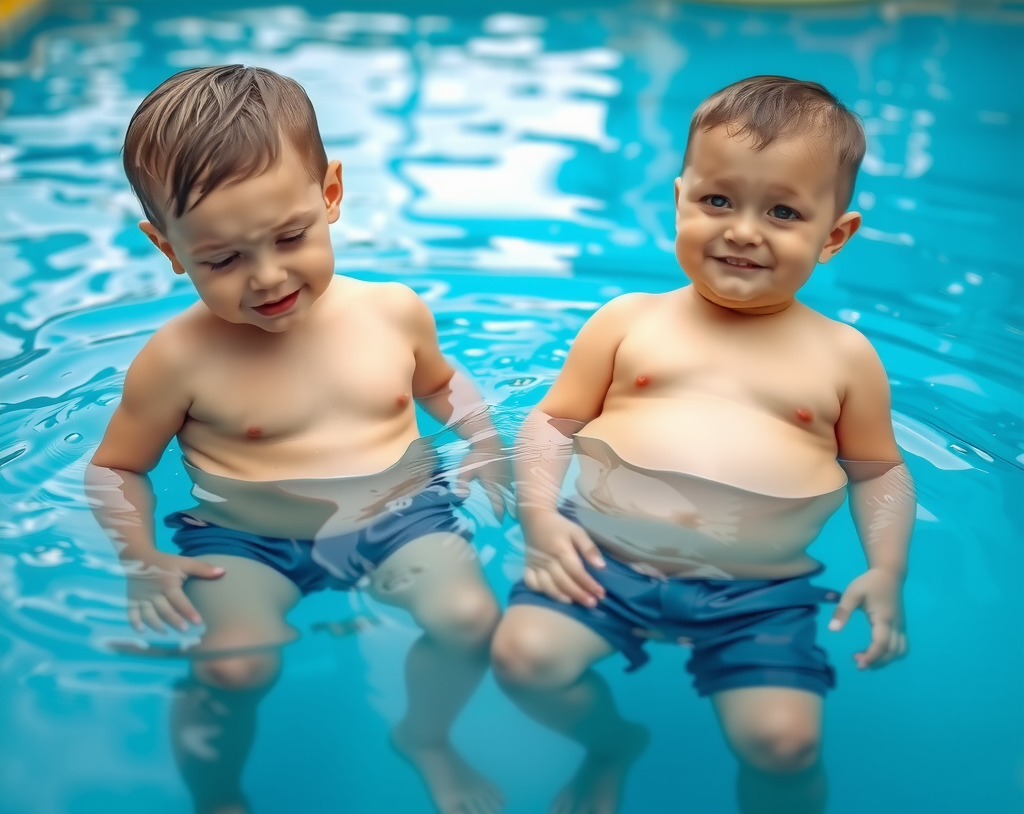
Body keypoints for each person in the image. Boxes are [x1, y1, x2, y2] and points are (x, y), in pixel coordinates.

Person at [86, 65, 507, 814]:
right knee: (233, 667)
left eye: (291, 235)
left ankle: (427, 736)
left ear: (331, 194)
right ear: (167, 247)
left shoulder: (392, 312)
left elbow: (439, 384)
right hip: (247, 538)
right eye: (221, 259)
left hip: (399, 513)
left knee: (471, 621)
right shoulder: (178, 359)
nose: (268, 276)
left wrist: (483, 440)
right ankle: (216, 794)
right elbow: (117, 468)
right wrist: (140, 556)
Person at [491, 76, 916, 814]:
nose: (743, 231)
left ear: (834, 236)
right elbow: (552, 424)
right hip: (605, 559)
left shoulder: (844, 358)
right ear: (681, 199)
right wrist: (540, 517)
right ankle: (610, 742)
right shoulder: (628, 321)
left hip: (755, 592)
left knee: (784, 745)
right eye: (718, 201)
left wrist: (886, 570)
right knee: (524, 659)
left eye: (783, 212)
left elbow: (878, 472)